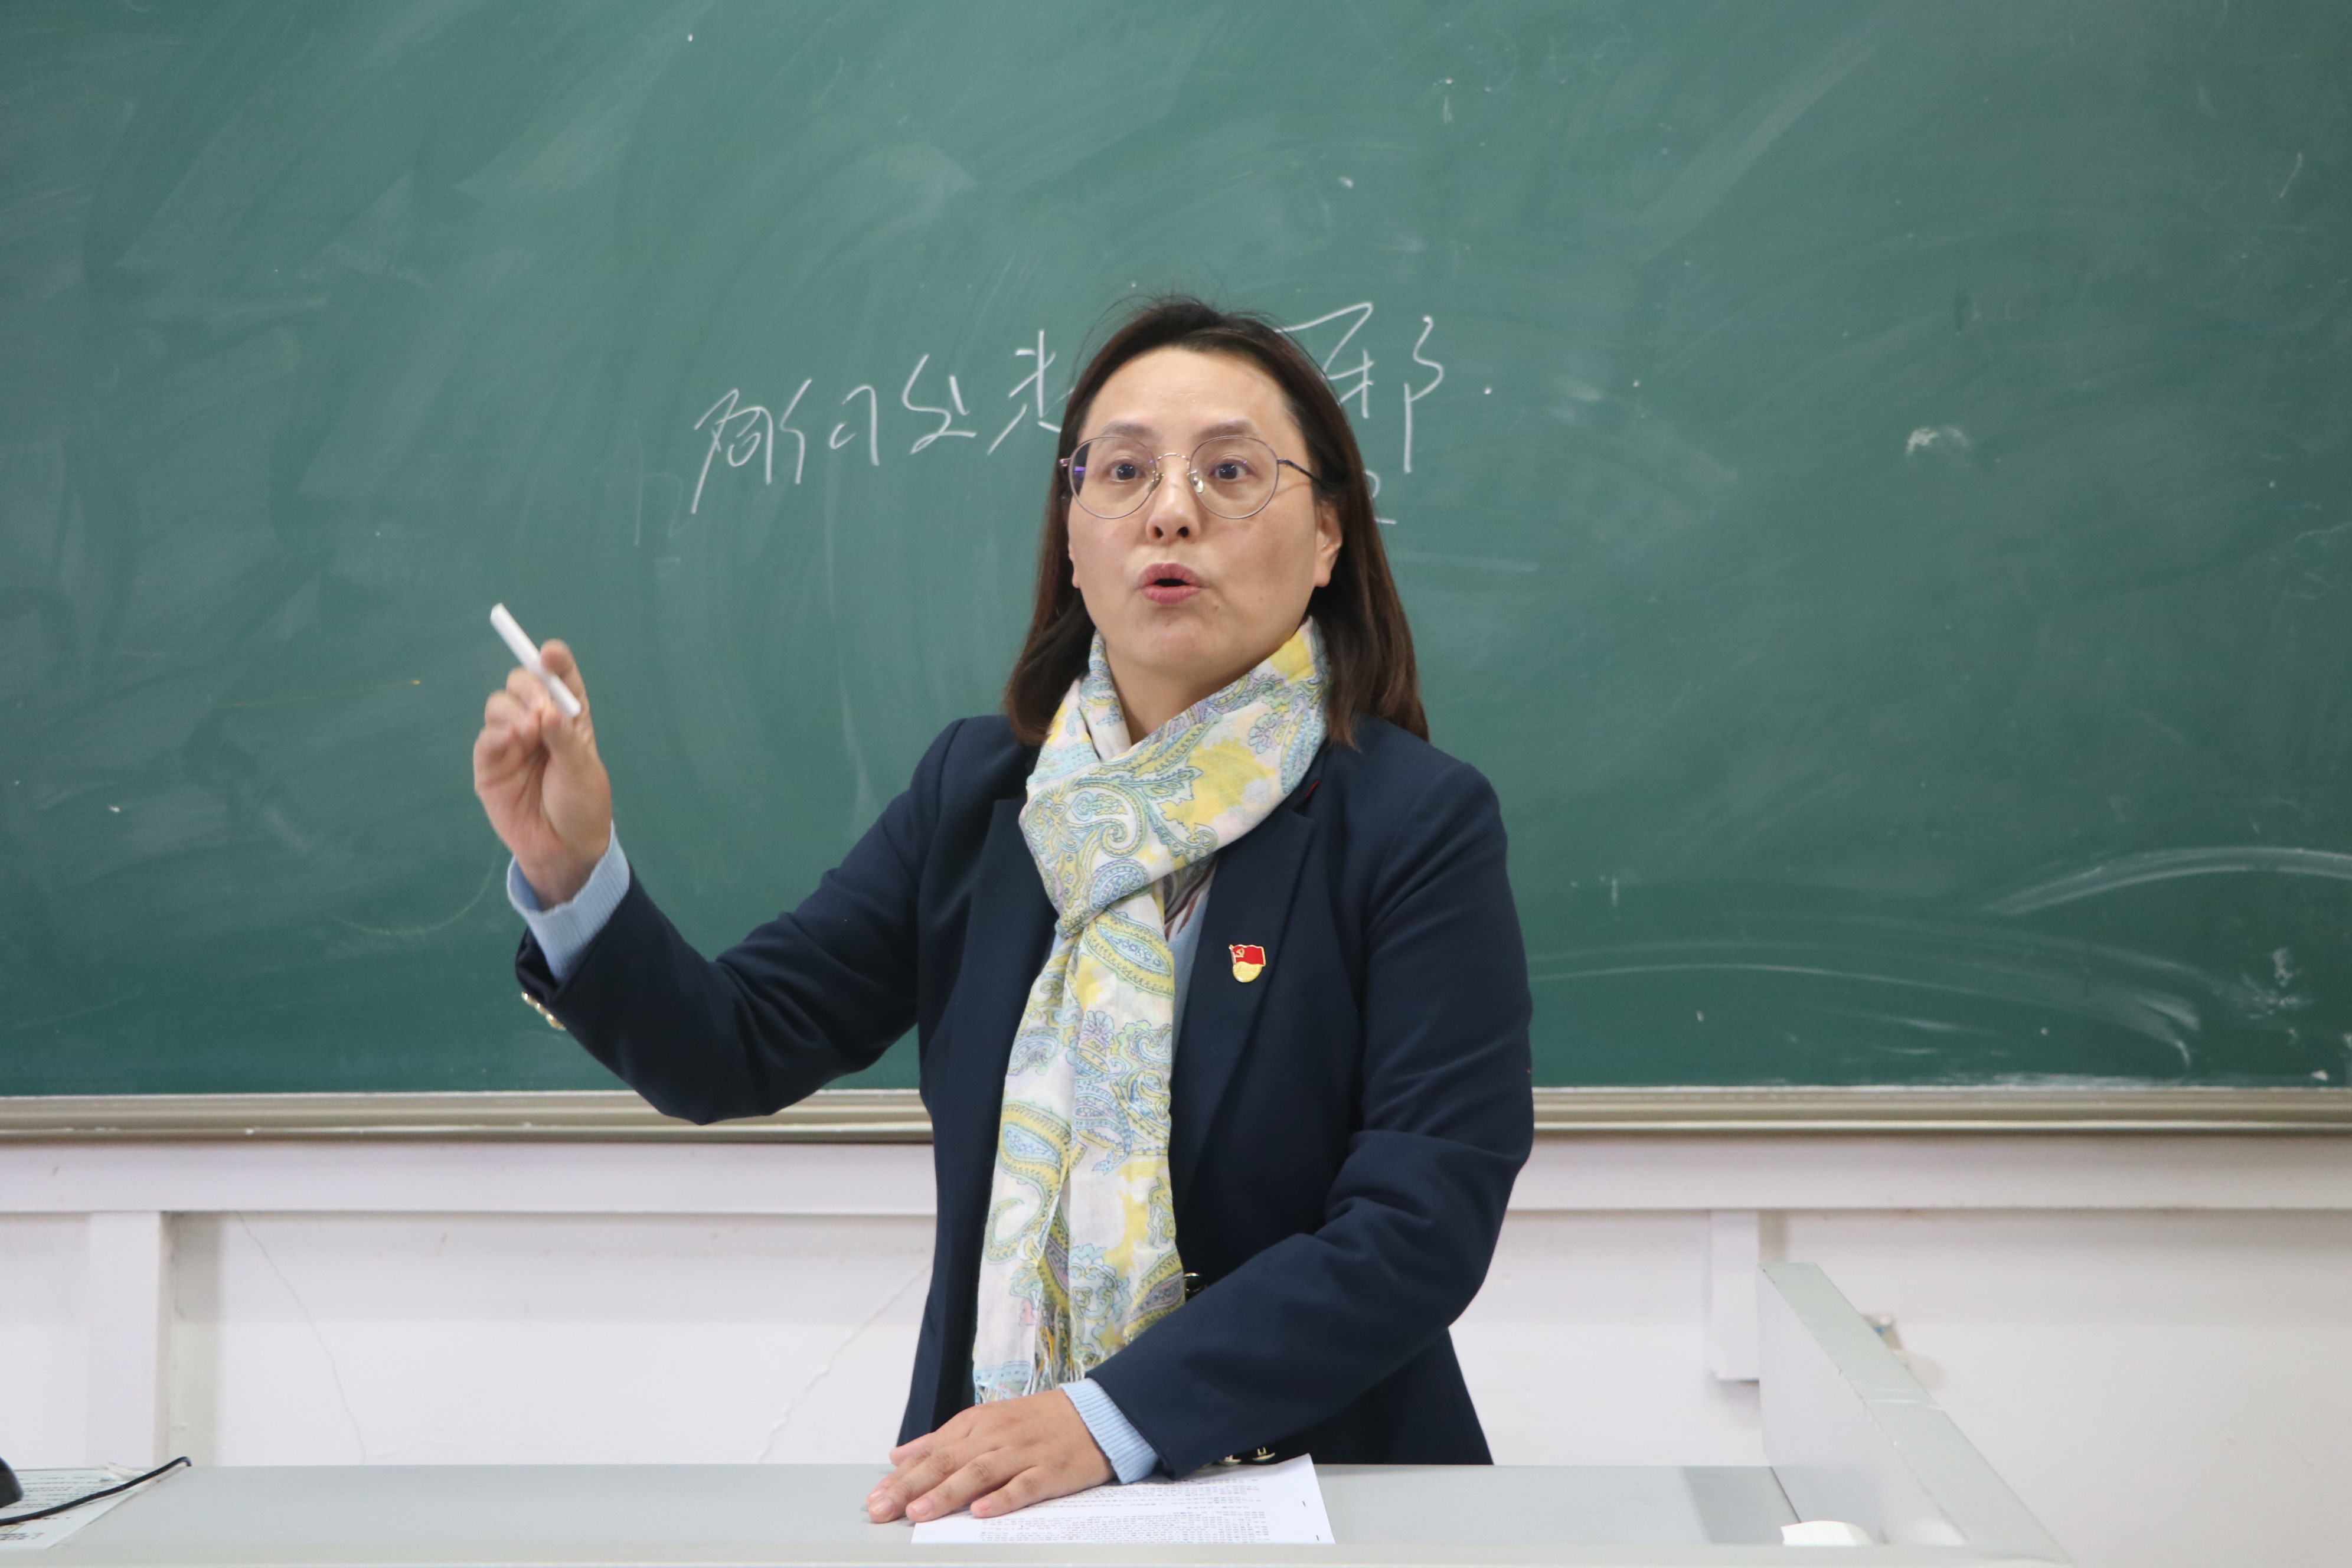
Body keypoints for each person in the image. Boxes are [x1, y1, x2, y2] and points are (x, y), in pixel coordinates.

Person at [472, 297, 1534, 1523]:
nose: (1171, 511)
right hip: (1002, 1502)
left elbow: (1418, 1224)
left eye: (1232, 471)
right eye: (1122, 471)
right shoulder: (979, 797)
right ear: (1073, 538)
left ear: (1329, 535)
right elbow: (735, 1044)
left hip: (1319, 1500)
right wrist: (572, 872)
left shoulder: (1414, 824)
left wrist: (1109, 1417)